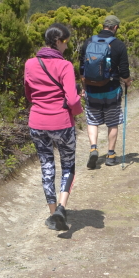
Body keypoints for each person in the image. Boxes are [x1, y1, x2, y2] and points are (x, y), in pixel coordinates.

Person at [24, 23, 83, 231]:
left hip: (37, 122)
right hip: (61, 123)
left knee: (47, 166)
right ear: (58, 42)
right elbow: (73, 100)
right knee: (68, 166)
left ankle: (52, 214)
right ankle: (61, 208)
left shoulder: (30, 63)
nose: (66, 46)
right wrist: (77, 111)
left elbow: (29, 94)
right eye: (66, 42)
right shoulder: (65, 66)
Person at [78, 15, 132, 168]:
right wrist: (127, 81)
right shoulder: (119, 45)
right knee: (112, 122)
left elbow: (82, 68)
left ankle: (94, 148)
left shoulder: (88, 42)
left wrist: (84, 86)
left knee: (92, 121)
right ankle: (110, 155)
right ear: (115, 27)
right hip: (111, 90)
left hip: (92, 90)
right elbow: (124, 71)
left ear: (103, 26)